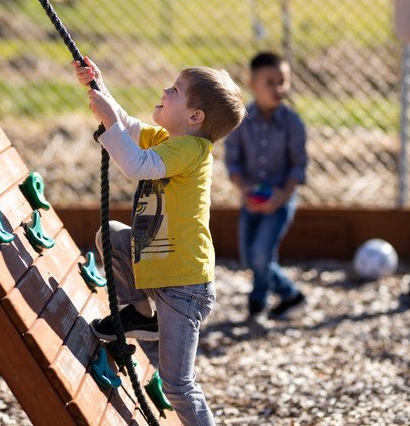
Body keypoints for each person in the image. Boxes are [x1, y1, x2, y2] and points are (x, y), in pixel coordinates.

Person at [74, 56, 245, 426]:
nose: (165, 91)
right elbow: (128, 128)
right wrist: (100, 91)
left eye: (175, 90)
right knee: (112, 236)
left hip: (185, 286)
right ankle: (139, 313)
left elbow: (136, 164)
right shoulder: (170, 139)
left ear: (195, 117)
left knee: (177, 383)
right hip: (159, 271)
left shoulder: (191, 151)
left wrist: (108, 120)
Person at [224, 51, 308, 320]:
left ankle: (290, 294)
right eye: (270, 82)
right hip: (250, 198)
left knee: (261, 255)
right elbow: (233, 163)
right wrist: (245, 189)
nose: (279, 88)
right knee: (250, 257)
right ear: (252, 84)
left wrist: (282, 195)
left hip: (281, 200)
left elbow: (298, 166)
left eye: (283, 81)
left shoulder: (292, 123)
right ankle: (258, 301)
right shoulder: (240, 120)